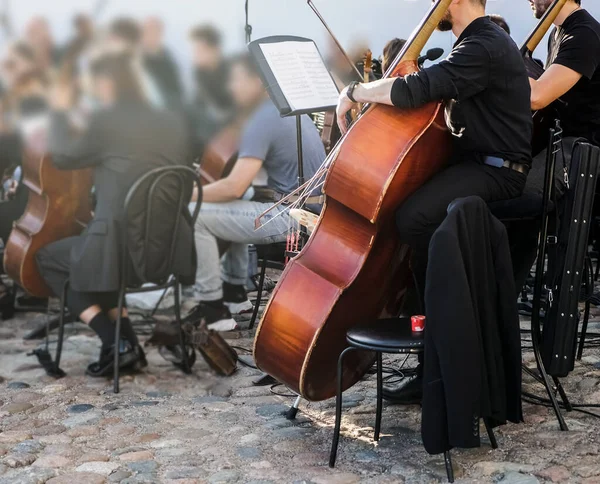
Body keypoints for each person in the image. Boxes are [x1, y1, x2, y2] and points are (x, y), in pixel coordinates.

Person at [336, 0, 532, 403]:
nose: (431, 7)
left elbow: (414, 92)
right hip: (481, 163)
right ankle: (432, 352)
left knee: (414, 219)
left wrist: (353, 90)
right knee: (411, 208)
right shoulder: (477, 43)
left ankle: (440, 354)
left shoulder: (482, 45)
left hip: (497, 172)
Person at [35, 53, 194, 377]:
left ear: (108, 84)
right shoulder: (173, 121)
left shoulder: (107, 121)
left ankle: (117, 342)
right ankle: (127, 345)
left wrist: (60, 110)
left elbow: (63, 156)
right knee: (95, 259)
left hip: (120, 250)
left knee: (51, 260)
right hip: (166, 249)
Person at [183, 53, 326, 331]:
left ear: (258, 82)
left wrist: (189, 194)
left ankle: (213, 310)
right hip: (312, 211)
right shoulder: (286, 109)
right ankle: (235, 293)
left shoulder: (261, 119)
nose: (231, 87)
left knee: (196, 212)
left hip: (293, 219)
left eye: (236, 79)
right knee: (241, 199)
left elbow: (233, 184)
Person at [188, 25, 234, 152]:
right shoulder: (199, 73)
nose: (194, 56)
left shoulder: (233, 72)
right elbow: (198, 106)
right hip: (212, 131)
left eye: (199, 50)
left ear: (215, 50)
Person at [141, 17, 184, 110]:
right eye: (148, 32)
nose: (151, 35)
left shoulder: (168, 58)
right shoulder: (136, 59)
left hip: (170, 106)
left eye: (155, 32)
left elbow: (177, 88)